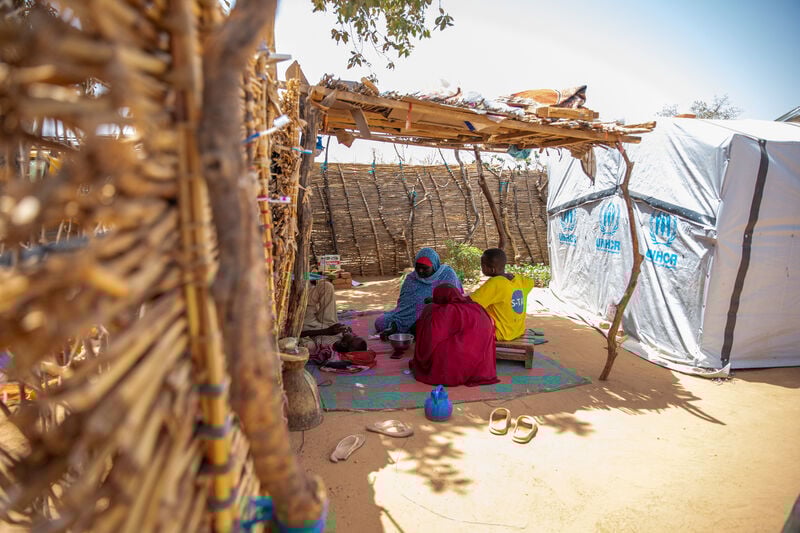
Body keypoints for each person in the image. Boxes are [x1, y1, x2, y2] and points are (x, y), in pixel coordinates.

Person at [410, 284, 499, 387]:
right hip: (482, 362)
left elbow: (432, 338)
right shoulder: (477, 307)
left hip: (459, 363)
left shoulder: (448, 310)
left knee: (440, 345)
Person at [375, 247, 462, 338]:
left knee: (429, 327)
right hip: (410, 317)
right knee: (380, 322)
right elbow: (404, 306)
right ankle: (401, 327)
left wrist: (434, 302)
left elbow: (454, 302)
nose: (420, 271)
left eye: (425, 268)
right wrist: (397, 324)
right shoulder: (411, 279)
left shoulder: (447, 275)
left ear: (434, 266)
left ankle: (414, 328)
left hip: (438, 316)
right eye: (418, 267)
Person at [469, 248, 535, 341]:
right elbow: (531, 282)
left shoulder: (495, 283)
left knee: (466, 320)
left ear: (491, 269)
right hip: (518, 330)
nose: (481, 267)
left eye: (482, 265)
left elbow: (471, 302)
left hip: (501, 333)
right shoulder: (519, 280)